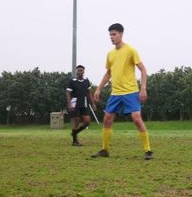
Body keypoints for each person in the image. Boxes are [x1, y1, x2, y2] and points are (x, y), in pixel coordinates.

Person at [91, 23, 153, 160]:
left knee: (137, 119)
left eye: (114, 34)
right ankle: (104, 150)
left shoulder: (131, 50)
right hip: (115, 93)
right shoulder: (110, 54)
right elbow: (108, 73)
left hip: (131, 92)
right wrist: (99, 88)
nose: (111, 37)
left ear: (121, 34)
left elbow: (143, 70)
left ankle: (148, 150)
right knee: (107, 119)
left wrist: (143, 88)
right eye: (110, 35)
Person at [66, 65, 96, 146]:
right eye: (78, 70)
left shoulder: (86, 81)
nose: (80, 72)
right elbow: (68, 93)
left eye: (81, 70)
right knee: (76, 121)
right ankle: (75, 141)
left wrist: (92, 103)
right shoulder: (72, 81)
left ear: (83, 71)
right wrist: (69, 104)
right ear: (76, 71)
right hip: (74, 103)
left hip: (84, 103)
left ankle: (74, 133)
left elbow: (89, 93)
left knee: (87, 121)